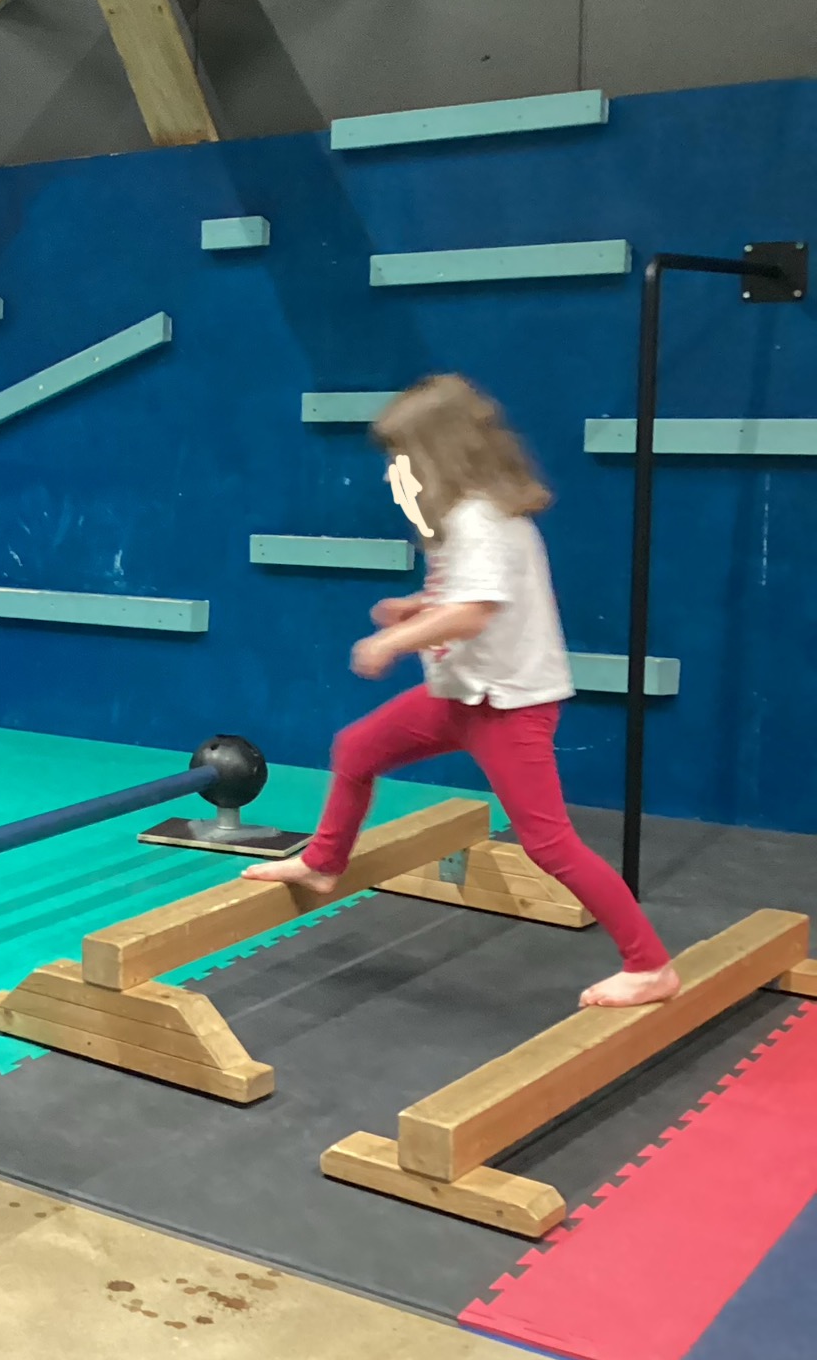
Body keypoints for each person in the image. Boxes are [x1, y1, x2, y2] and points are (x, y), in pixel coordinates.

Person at [241, 374, 680, 1009]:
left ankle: (649, 965)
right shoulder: (461, 521)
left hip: (506, 707)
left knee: (549, 843)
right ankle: (324, 862)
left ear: (435, 456)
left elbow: (474, 612)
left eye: (401, 460)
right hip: (459, 697)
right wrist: (417, 608)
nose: (394, 474)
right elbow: (468, 598)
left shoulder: (481, 520)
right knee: (357, 748)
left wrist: (394, 641)